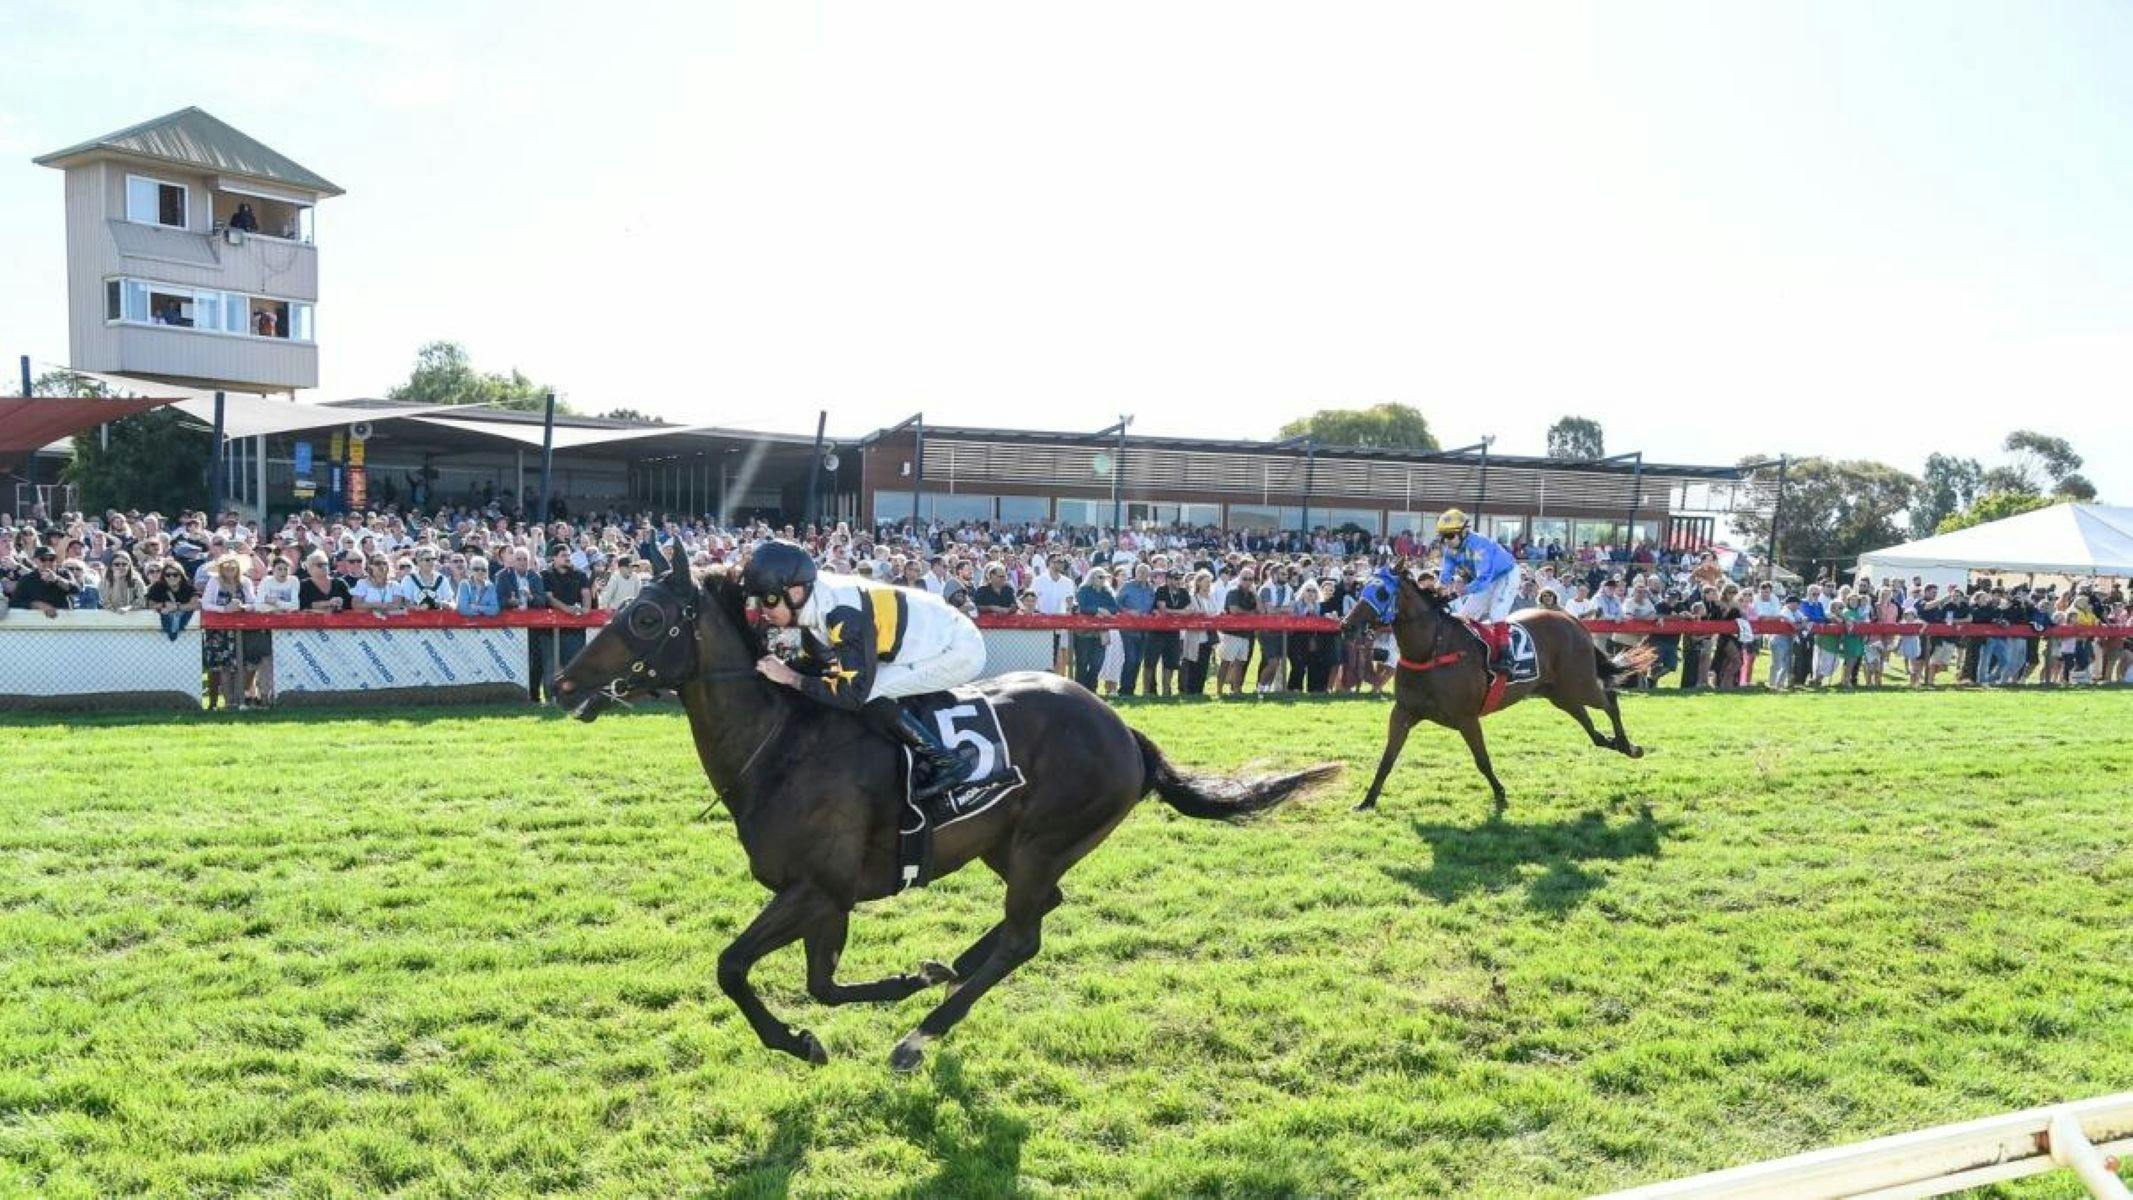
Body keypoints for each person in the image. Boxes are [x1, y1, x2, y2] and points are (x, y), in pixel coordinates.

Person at [745, 540, 985, 801]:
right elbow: (817, 663)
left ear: (795, 593)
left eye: (768, 599)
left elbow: (853, 694)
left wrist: (790, 677)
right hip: (928, 637)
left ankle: (948, 763)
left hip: (957, 649)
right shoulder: (815, 598)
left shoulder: (841, 615)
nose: (763, 610)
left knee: (871, 692)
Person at [1432, 508, 1522, 673]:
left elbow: (1484, 577)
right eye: (1443, 536)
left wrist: (1462, 591)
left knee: (1497, 614)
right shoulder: (1450, 548)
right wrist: (1440, 587)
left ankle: (1507, 656)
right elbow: (1446, 572)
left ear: (1464, 531)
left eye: (1450, 536)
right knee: (1466, 615)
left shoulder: (1479, 545)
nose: (1447, 540)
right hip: (1486, 580)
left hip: (1506, 575)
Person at [9, 547, 77, 618]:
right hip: (36, 623)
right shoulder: (27, 579)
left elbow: (76, 590)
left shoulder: (64, 574)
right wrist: (38, 605)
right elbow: (14, 603)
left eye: (51, 559)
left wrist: (56, 579)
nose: (48, 562)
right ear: (35, 561)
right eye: (43, 559)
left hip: (64, 621)